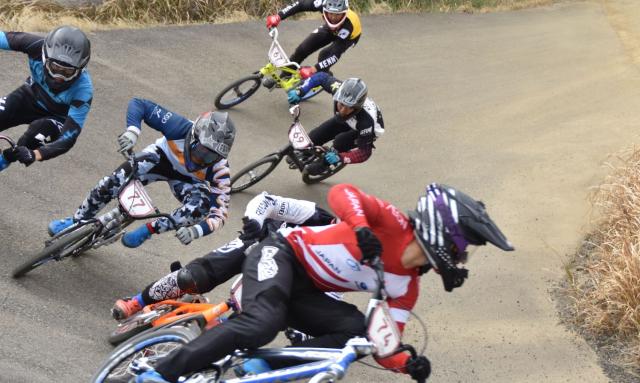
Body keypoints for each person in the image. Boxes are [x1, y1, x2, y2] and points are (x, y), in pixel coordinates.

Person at [134, 182, 514, 383]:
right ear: (441, 229)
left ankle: (267, 369)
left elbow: (383, 342)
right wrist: (362, 227)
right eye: (463, 246)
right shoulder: (393, 221)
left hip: (305, 290)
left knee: (355, 332)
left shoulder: (407, 287)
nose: (462, 257)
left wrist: (407, 364)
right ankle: (161, 373)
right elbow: (342, 193)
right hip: (280, 254)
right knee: (263, 321)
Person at [111, 191, 336, 319]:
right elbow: (266, 201)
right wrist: (255, 223)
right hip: (258, 242)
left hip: (282, 273)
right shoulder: (316, 215)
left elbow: (330, 299)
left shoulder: (342, 260)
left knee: (242, 320)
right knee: (191, 277)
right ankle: (137, 302)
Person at [48, 98, 235, 248]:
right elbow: (139, 104)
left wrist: (196, 231)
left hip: (188, 182)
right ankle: (77, 220)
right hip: (160, 160)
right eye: (201, 151)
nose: (202, 160)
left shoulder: (220, 170)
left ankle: (149, 229)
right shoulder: (178, 126)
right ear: (193, 136)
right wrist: (132, 131)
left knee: (200, 206)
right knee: (113, 181)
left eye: (211, 158)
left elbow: (219, 213)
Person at [0, 26, 92, 171]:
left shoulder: (84, 91)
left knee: (28, 142)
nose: (59, 78)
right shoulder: (35, 45)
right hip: (28, 97)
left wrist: (34, 154)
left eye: (67, 72)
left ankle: (5, 159)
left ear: (80, 69)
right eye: (55, 68)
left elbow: (68, 138)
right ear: (44, 57)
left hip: (56, 118)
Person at [288, 72, 383, 175]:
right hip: (348, 120)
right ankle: (308, 153)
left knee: (340, 142)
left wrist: (341, 157)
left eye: (348, 107)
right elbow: (321, 77)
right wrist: (300, 91)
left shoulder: (366, 122)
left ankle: (324, 165)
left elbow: (365, 153)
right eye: (341, 104)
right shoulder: (337, 89)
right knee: (315, 136)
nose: (342, 110)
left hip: (361, 130)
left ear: (357, 107)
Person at [263, 0, 361, 88]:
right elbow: (300, 5)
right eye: (330, 13)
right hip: (330, 29)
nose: (333, 18)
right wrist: (279, 16)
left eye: (337, 14)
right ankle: (285, 77)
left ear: (344, 13)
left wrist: (314, 69)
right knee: (302, 49)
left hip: (349, 37)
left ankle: (320, 79)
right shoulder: (322, 3)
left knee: (324, 55)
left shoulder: (349, 25)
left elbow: (335, 55)